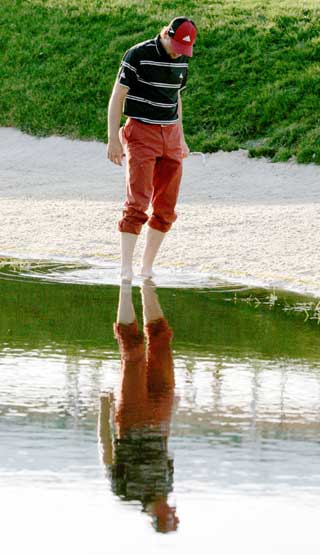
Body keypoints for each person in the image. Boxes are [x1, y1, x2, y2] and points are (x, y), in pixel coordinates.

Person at [107, 16, 197, 281]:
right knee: (138, 201)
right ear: (166, 34)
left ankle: (147, 267)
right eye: (177, 46)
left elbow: (175, 97)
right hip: (141, 131)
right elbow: (117, 96)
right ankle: (126, 268)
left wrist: (181, 138)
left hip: (171, 134)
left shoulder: (182, 58)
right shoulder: (138, 55)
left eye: (185, 49)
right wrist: (113, 139)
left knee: (166, 207)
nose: (179, 53)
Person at [98, 280, 179, 533]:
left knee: (133, 351)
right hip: (161, 414)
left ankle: (124, 287)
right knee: (161, 342)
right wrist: (172, 410)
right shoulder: (167, 487)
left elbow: (106, 450)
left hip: (132, 420)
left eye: (172, 515)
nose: (174, 509)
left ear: (158, 518)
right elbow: (164, 448)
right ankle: (146, 286)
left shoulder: (125, 490)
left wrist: (104, 408)